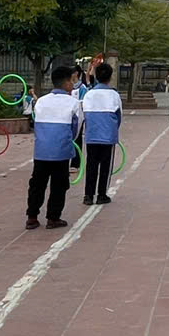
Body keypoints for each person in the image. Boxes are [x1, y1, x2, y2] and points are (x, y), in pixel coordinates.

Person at [27, 65, 81, 230]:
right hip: (61, 151)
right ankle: (53, 218)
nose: (73, 84)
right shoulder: (74, 103)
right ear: (67, 82)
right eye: (72, 80)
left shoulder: (41, 101)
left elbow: (36, 122)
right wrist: (67, 140)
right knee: (59, 185)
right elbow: (76, 129)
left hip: (41, 151)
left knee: (37, 184)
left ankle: (32, 217)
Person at [82, 61, 123, 206]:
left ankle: (88, 196)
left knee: (91, 165)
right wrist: (113, 130)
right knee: (105, 167)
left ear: (96, 76)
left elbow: (84, 114)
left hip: (92, 135)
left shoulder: (89, 94)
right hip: (108, 136)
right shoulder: (114, 95)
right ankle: (101, 195)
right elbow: (119, 116)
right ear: (110, 77)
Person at [69, 66, 88, 170]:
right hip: (67, 116)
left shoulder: (82, 88)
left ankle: (75, 163)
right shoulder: (68, 86)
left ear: (76, 73)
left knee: (77, 139)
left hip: (78, 117)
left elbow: (82, 103)